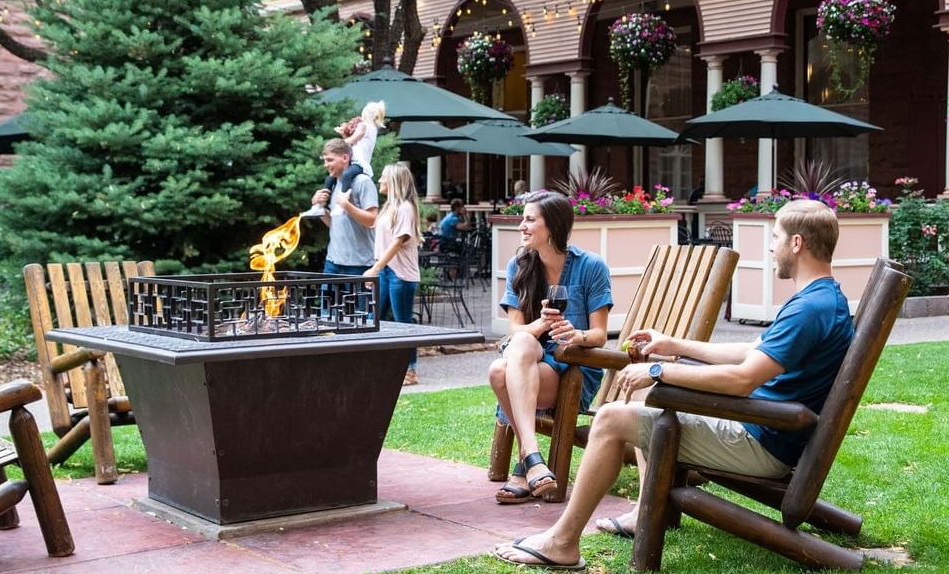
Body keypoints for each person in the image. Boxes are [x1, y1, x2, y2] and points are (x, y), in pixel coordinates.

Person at [493, 199, 854, 569]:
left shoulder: (809, 309)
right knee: (646, 398)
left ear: (796, 243)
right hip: (767, 430)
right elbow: (753, 350)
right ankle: (642, 514)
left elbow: (742, 378)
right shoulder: (822, 300)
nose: (771, 246)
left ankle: (562, 542)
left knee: (611, 419)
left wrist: (658, 371)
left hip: (760, 441)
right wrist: (674, 345)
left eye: (775, 237)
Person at [487, 191, 613, 505]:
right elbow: (516, 332)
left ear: (553, 226)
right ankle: (533, 460)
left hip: (573, 372)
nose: (521, 226)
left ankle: (524, 463)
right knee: (517, 350)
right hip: (529, 364)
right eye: (522, 219)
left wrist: (577, 334)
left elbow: (599, 335)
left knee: (499, 371)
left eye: (530, 219)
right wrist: (542, 324)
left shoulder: (591, 267)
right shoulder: (518, 266)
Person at [364, 163, 422, 386]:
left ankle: (410, 371)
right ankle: (373, 364)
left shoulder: (405, 208)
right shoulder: (388, 207)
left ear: (394, 181)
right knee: (373, 319)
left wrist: (375, 268)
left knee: (403, 323)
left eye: (383, 178)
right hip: (385, 271)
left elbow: (398, 243)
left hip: (400, 275)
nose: (379, 180)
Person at [302, 101, 386, 218]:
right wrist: (344, 135)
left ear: (365, 113)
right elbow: (353, 145)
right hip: (355, 161)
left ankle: (341, 204)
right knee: (330, 179)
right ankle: (319, 206)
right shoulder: (372, 129)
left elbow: (351, 142)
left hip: (359, 163)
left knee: (346, 175)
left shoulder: (364, 126)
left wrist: (337, 146)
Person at [311, 139, 379, 280]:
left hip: (359, 264)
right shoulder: (335, 184)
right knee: (328, 303)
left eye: (330, 160)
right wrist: (319, 207)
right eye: (325, 161)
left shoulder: (363, 182)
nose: (326, 165)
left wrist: (346, 205)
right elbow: (333, 224)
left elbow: (372, 220)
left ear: (345, 158)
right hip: (333, 262)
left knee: (358, 303)